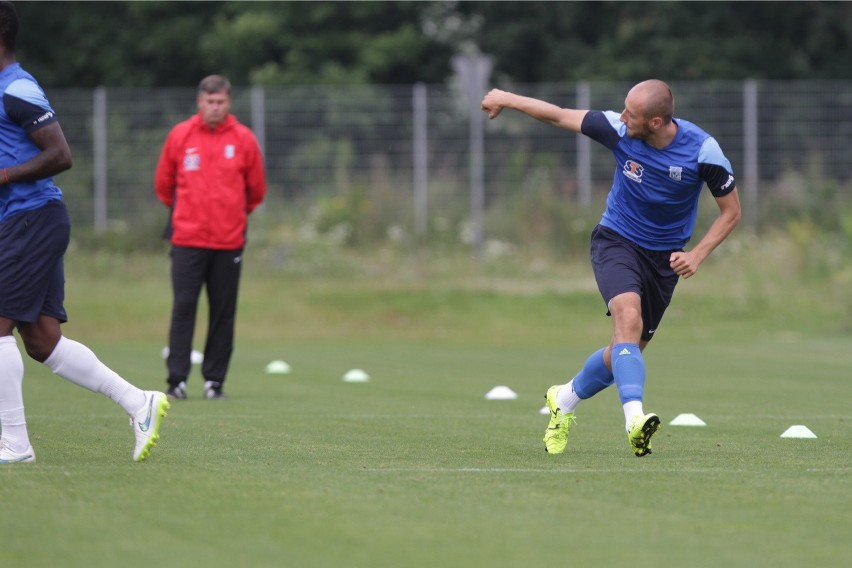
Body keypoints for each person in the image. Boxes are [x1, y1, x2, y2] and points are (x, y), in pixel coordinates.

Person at [481, 79, 741, 457]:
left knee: (626, 347)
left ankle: (564, 398)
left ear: (655, 121)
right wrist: (507, 98)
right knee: (627, 320)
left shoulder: (704, 151)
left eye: (631, 114)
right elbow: (556, 116)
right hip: (616, 240)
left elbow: (731, 212)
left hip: (664, 259)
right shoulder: (618, 130)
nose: (622, 117)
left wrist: (697, 254)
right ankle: (634, 420)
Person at [0, 1, 169, 464]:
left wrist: (6, 176)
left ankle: (15, 444)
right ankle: (140, 402)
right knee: (41, 341)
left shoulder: (17, 87)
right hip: (28, 221)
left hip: (31, 218)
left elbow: (60, 154)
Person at [155, 75, 266, 401]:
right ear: (199, 102)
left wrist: (230, 217)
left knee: (222, 312)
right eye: (210, 101)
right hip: (187, 239)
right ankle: (176, 381)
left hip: (228, 242)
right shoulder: (181, 136)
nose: (215, 107)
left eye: (221, 102)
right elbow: (164, 186)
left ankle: (214, 382)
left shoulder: (244, 139)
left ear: (228, 103)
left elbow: (256, 191)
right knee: (184, 308)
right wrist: (188, 216)